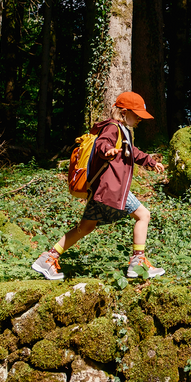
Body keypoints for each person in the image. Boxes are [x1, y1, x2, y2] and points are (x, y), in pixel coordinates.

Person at [31, 91, 166, 280]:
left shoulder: (123, 130)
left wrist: (150, 161)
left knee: (85, 227)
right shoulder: (112, 127)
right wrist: (108, 151)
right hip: (112, 189)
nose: (139, 120)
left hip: (100, 192)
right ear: (124, 112)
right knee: (143, 215)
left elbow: (132, 152)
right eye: (137, 115)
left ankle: (47, 259)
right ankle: (138, 262)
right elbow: (102, 143)